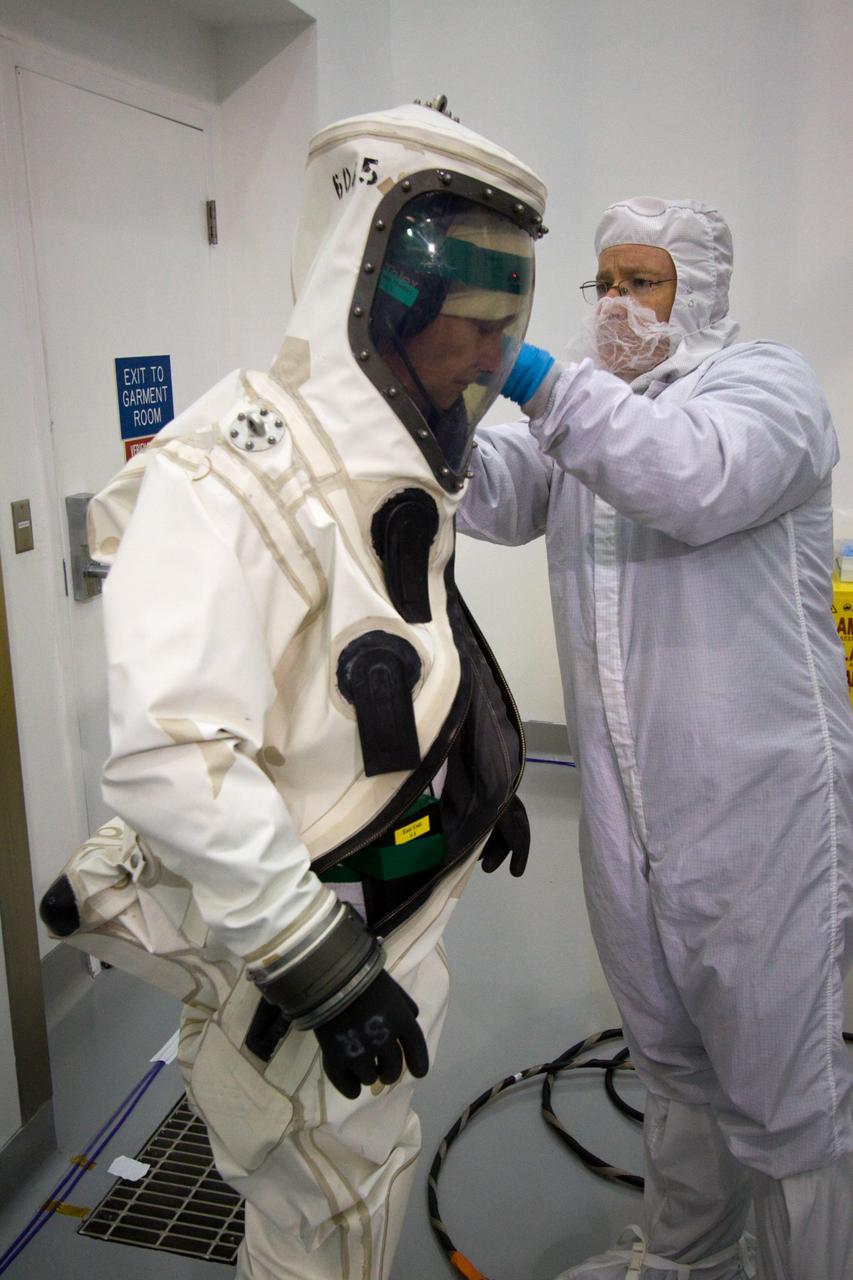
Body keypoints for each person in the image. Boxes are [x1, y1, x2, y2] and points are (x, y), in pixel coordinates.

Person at [39, 100, 545, 1280]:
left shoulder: (385, 455)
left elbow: (397, 651)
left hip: (393, 914)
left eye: (504, 320)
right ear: (385, 298)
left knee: (363, 1177)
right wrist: (312, 961)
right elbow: (175, 754)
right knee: (326, 1217)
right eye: (472, 322)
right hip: (314, 949)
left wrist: (471, 774)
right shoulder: (233, 471)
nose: (491, 355)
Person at [459, 196, 853, 1280]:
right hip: (631, 808)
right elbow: (499, 488)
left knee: (784, 1088)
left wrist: (532, 373)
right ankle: (688, 1257)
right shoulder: (592, 414)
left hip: (759, 805)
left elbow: (688, 477)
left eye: (645, 282)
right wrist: (423, 420)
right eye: (606, 284)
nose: (618, 306)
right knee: (672, 1056)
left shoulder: (761, 389)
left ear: (702, 290)